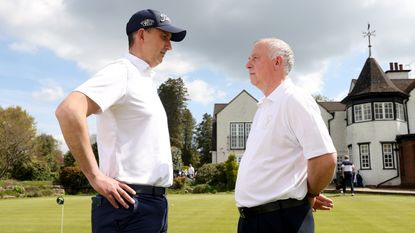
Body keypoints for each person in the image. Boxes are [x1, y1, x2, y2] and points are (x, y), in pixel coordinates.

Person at [55, 9, 186, 233]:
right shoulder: (122, 72)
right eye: (164, 37)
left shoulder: (143, 79)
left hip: (149, 206)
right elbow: (68, 111)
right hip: (129, 205)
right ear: (142, 35)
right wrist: (95, 176)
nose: (169, 46)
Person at [235, 38, 337, 233]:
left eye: (255, 58)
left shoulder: (294, 99)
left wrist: (310, 194)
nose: (247, 64)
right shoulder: (265, 106)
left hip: (278, 221)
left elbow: (325, 159)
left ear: (277, 62)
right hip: (256, 221)